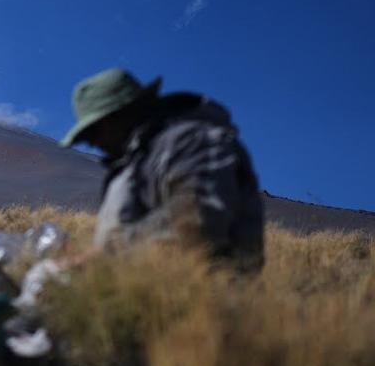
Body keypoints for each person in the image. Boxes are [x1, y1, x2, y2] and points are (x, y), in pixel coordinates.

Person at [60, 68, 264, 272]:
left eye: (94, 131)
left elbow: (196, 221)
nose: (92, 143)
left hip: (199, 289)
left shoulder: (191, 142)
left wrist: (100, 258)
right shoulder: (132, 165)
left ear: (122, 113)